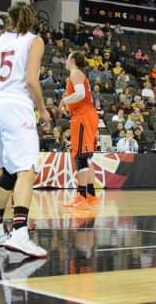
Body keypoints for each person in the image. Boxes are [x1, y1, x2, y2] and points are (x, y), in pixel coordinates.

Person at [0, 2, 49, 257]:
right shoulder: (34, 41)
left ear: (7, 20)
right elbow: (31, 80)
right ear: (30, 20)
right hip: (16, 107)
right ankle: (19, 232)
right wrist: (42, 110)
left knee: (7, 171)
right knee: (26, 169)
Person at [59, 51, 100, 209]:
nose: (66, 59)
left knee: (81, 157)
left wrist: (64, 100)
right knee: (87, 157)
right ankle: (90, 195)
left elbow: (81, 94)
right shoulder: (80, 74)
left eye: (67, 57)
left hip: (82, 116)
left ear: (73, 60)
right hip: (87, 115)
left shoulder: (75, 73)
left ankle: (81, 195)